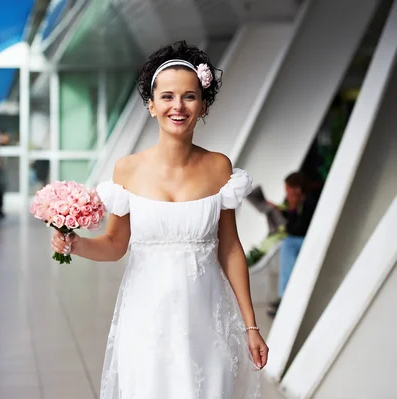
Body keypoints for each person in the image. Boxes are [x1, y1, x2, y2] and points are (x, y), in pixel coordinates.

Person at [50, 41, 266, 398]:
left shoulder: (219, 167)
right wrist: (74, 244)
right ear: (151, 105)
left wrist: (251, 326)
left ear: (203, 105)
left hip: (206, 319)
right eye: (166, 97)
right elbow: (115, 245)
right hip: (146, 319)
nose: (177, 106)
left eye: (189, 96)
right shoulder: (127, 170)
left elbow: (230, 249)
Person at [268, 172, 319, 317]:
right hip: (301, 239)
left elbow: (298, 229)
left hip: (309, 240)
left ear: (297, 188)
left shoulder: (310, 202)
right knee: (287, 243)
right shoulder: (300, 202)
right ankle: (284, 295)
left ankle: (285, 296)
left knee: (288, 244)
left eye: (288, 189)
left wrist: (292, 208)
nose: (287, 193)